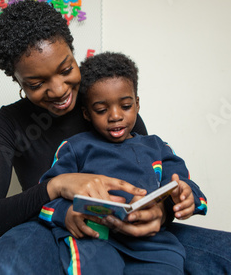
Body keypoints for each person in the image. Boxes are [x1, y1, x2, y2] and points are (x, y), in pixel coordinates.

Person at [0, 0, 231, 274]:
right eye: (36, 83)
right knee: (4, 264)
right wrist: (56, 185)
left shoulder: (110, 103)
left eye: (66, 69)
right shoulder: (9, 122)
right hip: (58, 226)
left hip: (137, 232)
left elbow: (152, 173)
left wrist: (162, 213)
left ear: (73, 51)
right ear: (17, 79)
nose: (58, 89)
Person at [38, 52, 207, 274]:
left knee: (170, 260)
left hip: (150, 240)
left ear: (137, 104)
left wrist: (186, 196)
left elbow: (181, 183)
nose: (115, 116)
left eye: (125, 106)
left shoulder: (156, 146)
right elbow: (46, 194)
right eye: (101, 110)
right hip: (94, 236)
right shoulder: (75, 147)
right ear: (87, 113)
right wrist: (66, 214)